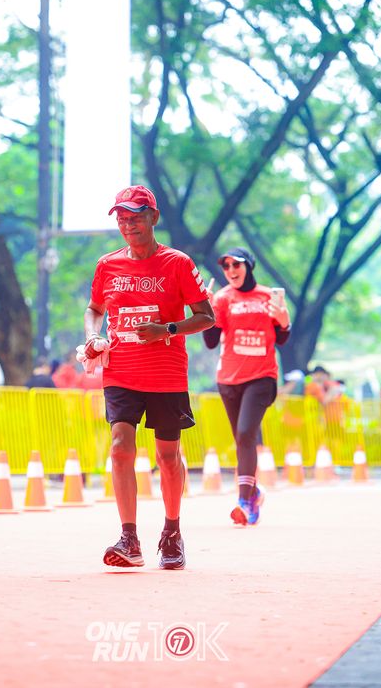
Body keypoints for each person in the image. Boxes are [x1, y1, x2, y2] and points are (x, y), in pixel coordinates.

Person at [83, 184, 214, 569]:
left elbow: (206, 317)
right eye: (122, 219)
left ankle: (172, 532)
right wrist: (93, 335)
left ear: (153, 217)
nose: (129, 225)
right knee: (120, 446)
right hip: (120, 370)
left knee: (167, 456)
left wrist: (166, 330)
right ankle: (129, 538)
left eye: (136, 218)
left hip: (165, 374)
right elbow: (94, 309)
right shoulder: (107, 265)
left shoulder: (177, 263)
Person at [203, 247, 291, 526]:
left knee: (245, 433)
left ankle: (243, 501)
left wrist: (285, 323)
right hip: (228, 379)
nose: (231, 270)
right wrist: (206, 310)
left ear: (249, 266)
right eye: (226, 266)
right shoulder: (222, 298)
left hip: (261, 377)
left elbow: (282, 338)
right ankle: (254, 493)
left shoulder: (267, 296)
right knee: (243, 440)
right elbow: (210, 342)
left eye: (236, 264)